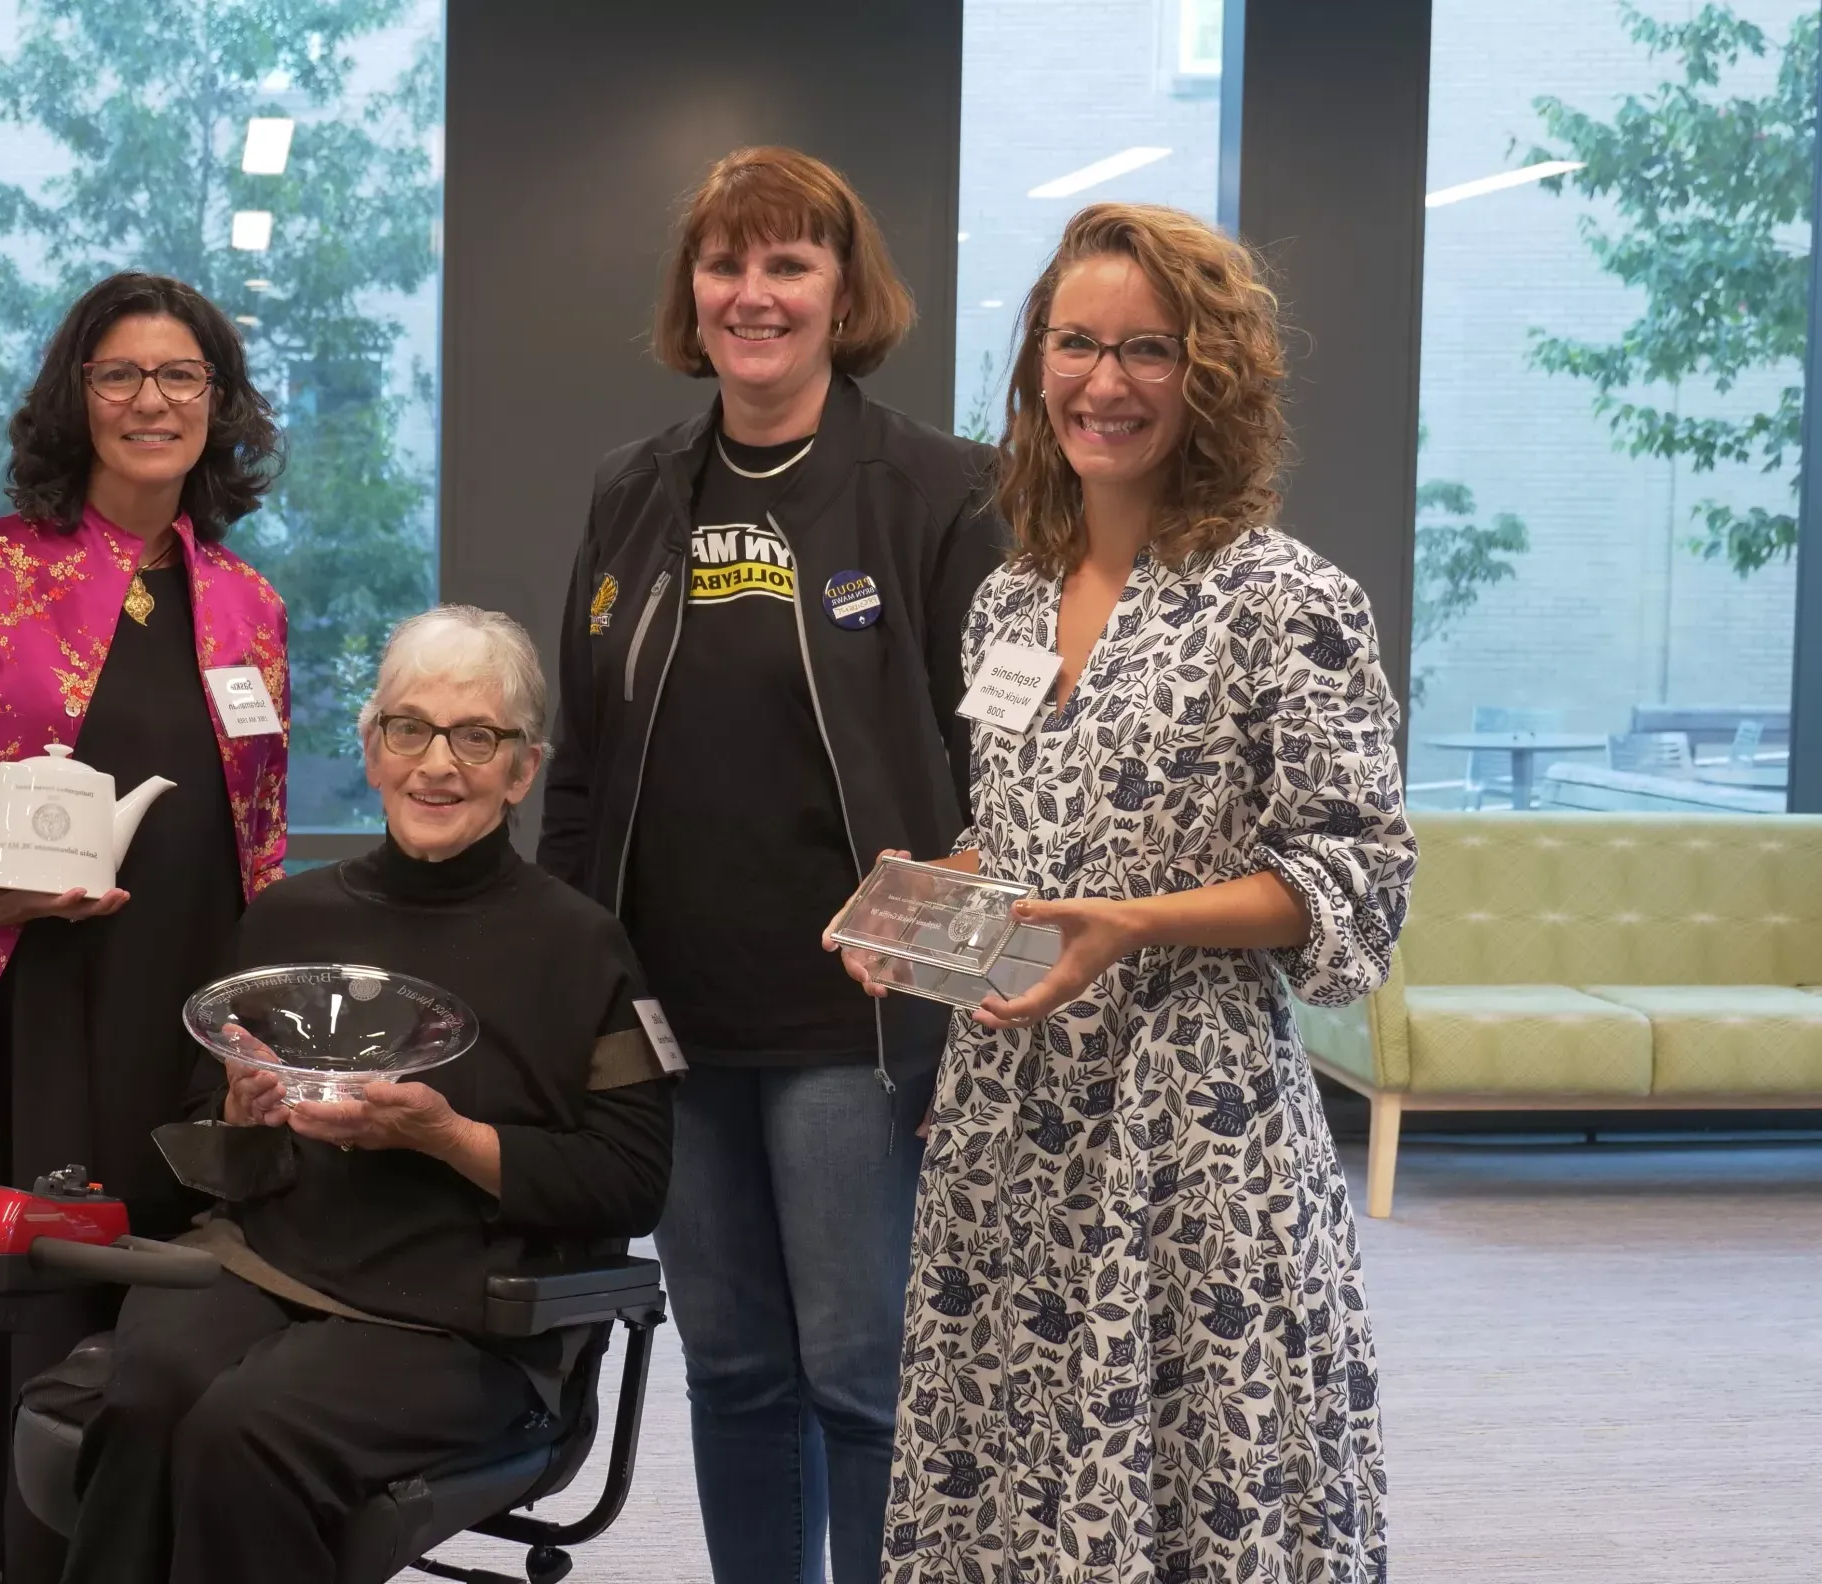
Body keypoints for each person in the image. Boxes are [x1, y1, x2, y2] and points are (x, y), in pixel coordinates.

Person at [838, 203, 1410, 1582]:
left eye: (1148, 350)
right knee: (1008, 1482)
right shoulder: (1011, 599)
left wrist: (1135, 927)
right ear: (1038, 363)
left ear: (1210, 377)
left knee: (1197, 1492)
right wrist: (925, 904)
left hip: (1191, 1134)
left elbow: (1357, 875)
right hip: (1005, 1126)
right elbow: (1025, 838)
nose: (1106, 383)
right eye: (1078, 344)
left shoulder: (1288, 599)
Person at [537, 145, 1003, 1584]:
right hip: (672, 1024)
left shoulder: (938, 492)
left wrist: (951, 986)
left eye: (789, 264)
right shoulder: (635, 489)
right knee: (731, 1368)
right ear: (694, 291)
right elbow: (583, 769)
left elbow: (1003, 774)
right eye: (728, 264)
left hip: (849, 1024)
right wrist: (569, 989)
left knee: (862, 1377)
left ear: (845, 291)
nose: (755, 294)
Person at [0, 271, 290, 1584]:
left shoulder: (248, 603)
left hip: (177, 1021)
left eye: (181, 377)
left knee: (153, 1318)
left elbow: (262, 834)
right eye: (121, 374)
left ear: (218, 405)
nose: (153, 400)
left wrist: (263, 1027)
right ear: (74, 400)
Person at [60, 605, 676, 1583]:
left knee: (244, 1431)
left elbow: (633, 1183)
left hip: (462, 1317)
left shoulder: (584, 947)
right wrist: (238, 1115)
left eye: (477, 737)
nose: (438, 763)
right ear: (371, 748)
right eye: (409, 728)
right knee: (143, 1394)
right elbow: (197, 1137)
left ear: (523, 769)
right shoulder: (286, 919)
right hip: (268, 1264)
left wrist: (450, 1139)